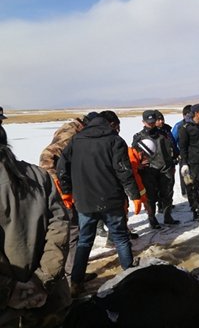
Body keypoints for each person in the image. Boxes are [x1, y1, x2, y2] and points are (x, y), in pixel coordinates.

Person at [56, 110, 140, 297]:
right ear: (110, 124)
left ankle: (76, 283)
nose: (118, 130)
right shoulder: (114, 141)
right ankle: (130, 276)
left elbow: (61, 167)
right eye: (117, 126)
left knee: (85, 241)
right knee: (120, 238)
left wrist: (67, 192)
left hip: (84, 202)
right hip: (111, 201)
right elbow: (124, 172)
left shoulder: (76, 140)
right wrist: (135, 195)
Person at [0, 125, 71, 327]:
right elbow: (60, 227)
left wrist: (9, 290)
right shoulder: (38, 175)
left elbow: (59, 225)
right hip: (50, 301)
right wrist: (43, 279)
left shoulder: (38, 176)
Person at [38, 111, 99, 285]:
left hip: (68, 186)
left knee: (74, 229)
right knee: (72, 230)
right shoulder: (71, 134)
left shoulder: (75, 131)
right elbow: (47, 156)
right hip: (60, 190)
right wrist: (58, 187)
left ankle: (72, 272)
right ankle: (71, 278)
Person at [132, 110, 179, 228]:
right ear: (143, 122)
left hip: (165, 168)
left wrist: (173, 163)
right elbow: (134, 155)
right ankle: (152, 219)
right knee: (151, 196)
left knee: (167, 193)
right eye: (149, 122)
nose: (152, 124)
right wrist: (140, 164)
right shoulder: (138, 137)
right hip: (149, 171)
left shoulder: (164, 134)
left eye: (153, 122)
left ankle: (168, 216)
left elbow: (172, 149)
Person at [172, 105, 192, 201]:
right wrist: (177, 153)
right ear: (184, 115)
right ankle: (185, 191)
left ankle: (194, 190)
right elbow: (173, 141)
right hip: (182, 154)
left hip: (193, 153)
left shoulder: (195, 124)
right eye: (188, 114)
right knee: (185, 173)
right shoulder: (178, 126)